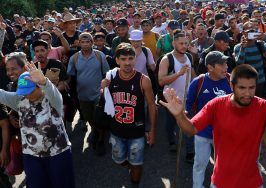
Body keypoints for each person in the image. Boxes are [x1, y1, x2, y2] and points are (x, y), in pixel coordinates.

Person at [160, 64, 266, 188]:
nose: (247, 94)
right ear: (231, 86)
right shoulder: (215, 105)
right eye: (242, 88)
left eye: (251, 88)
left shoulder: (264, 107)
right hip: (220, 183)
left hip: (252, 183)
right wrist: (179, 115)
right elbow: (191, 129)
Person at [0, 64, 75, 188]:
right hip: (31, 156)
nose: (26, 95)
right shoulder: (19, 100)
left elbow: (51, 91)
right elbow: (1, 95)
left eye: (29, 91)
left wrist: (44, 81)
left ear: (39, 87)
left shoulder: (52, 99)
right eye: (23, 92)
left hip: (58, 154)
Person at [101, 43, 157, 186]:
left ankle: (135, 183)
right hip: (116, 130)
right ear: (117, 60)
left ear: (135, 60)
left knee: (137, 164)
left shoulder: (143, 80)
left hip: (137, 132)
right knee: (118, 160)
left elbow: (151, 105)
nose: (127, 62)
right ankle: (129, 165)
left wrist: (152, 130)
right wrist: (102, 90)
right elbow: (104, 100)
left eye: (130, 58)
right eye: (123, 59)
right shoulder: (110, 78)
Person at [186, 51, 232, 188]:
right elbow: (189, 106)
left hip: (224, 134)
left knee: (222, 166)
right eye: (221, 64)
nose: (226, 67)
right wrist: (185, 118)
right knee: (200, 164)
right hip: (202, 133)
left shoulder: (231, 81)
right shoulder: (198, 82)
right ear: (210, 67)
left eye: (226, 63)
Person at [67, 32, 110, 155]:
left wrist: (105, 90)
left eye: (88, 41)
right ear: (79, 43)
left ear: (92, 43)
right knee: (89, 117)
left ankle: (101, 139)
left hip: (98, 93)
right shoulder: (74, 58)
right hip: (82, 95)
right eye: (83, 42)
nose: (85, 44)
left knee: (99, 117)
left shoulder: (99, 55)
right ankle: (95, 132)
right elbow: (70, 76)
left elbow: (107, 74)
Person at [158, 30, 196, 154]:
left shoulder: (189, 56)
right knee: (171, 123)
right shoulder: (167, 59)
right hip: (172, 98)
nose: (184, 46)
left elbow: (192, 75)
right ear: (174, 43)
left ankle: (190, 151)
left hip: (187, 97)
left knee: (187, 122)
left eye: (186, 43)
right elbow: (161, 81)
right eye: (181, 43)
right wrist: (178, 74)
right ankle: (171, 142)